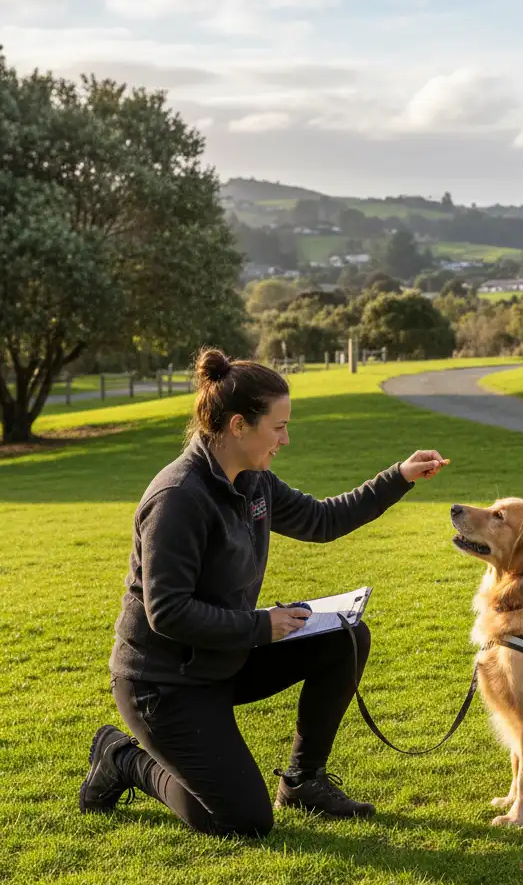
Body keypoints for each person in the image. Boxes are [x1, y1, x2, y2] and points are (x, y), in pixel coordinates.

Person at [79, 347, 448, 836]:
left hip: (225, 657)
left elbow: (322, 519)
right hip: (164, 682)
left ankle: (303, 781)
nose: (285, 439)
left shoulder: (254, 482)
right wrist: (261, 626)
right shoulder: (178, 499)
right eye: (278, 427)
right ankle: (122, 757)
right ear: (237, 426)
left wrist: (398, 477)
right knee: (242, 820)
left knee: (344, 635)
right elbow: (166, 613)